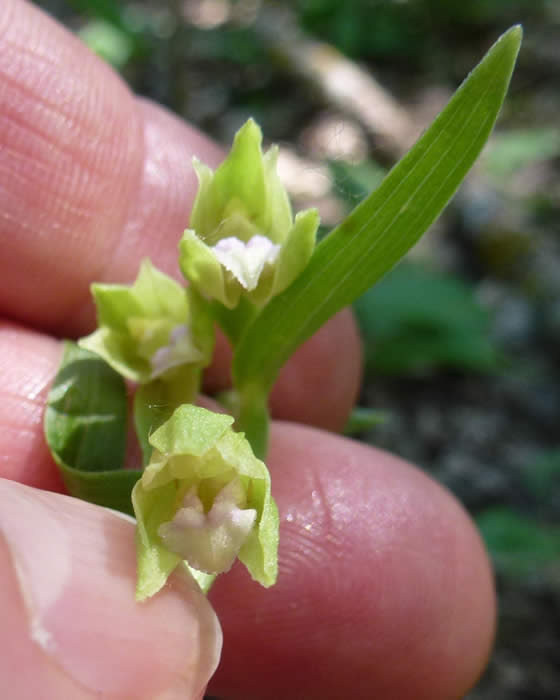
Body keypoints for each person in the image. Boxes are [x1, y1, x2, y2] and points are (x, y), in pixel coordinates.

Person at [0, 1, 495, 698]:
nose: (206, 498)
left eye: (251, 223)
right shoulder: (181, 356)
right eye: (225, 227)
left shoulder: (223, 366)